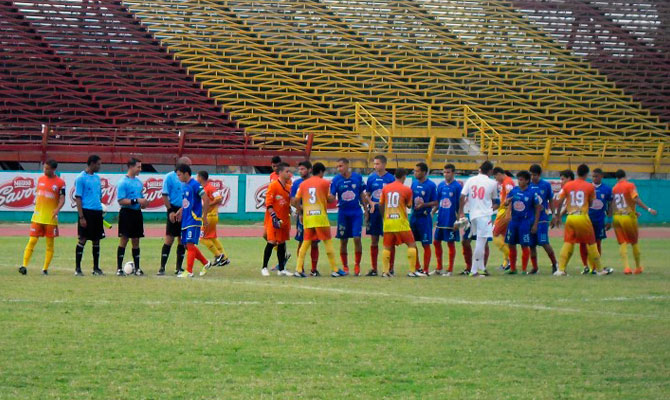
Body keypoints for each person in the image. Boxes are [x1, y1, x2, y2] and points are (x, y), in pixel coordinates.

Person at [551, 164, 612, 276]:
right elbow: (592, 203)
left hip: (570, 217)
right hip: (582, 216)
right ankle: (599, 270)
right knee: (591, 243)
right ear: (586, 174)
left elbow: (559, 202)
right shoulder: (589, 186)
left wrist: (558, 216)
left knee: (568, 242)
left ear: (577, 173)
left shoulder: (568, 186)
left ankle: (561, 269)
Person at [293, 162, 345, 277]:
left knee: (305, 243)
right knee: (327, 242)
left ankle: (298, 269)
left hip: (308, 217)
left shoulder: (303, 184)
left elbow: (295, 201)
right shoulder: (325, 183)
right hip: (320, 217)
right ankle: (335, 269)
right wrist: (332, 197)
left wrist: (301, 209)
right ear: (321, 172)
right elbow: (330, 199)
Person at [18, 159, 65, 276]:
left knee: (49, 244)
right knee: (32, 240)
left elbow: (62, 199)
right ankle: (24, 266)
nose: (45, 170)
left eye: (47, 168)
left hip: (50, 218)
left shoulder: (60, 182)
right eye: (44, 168)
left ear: (53, 169)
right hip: (37, 216)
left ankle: (45, 269)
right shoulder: (40, 179)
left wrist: (57, 209)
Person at [611, 169, 657, 274]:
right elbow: (635, 199)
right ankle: (638, 267)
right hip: (627, 218)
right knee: (634, 242)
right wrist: (648, 209)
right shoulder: (630, 185)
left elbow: (614, 205)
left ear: (617, 178)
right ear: (625, 176)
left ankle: (626, 268)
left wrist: (634, 212)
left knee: (622, 242)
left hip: (617, 217)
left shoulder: (614, 188)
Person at [458, 161, 499, 278]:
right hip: (484, 215)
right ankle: (474, 270)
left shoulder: (471, 180)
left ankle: (481, 269)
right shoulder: (492, 183)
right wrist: (490, 209)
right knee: (481, 242)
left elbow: (462, 196)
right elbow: (496, 201)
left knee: (479, 241)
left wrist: (461, 212)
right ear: (490, 171)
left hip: (472, 215)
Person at [380, 168, 422, 277]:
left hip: (388, 222)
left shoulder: (386, 188)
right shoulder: (407, 189)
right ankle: (412, 271)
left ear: (394, 176)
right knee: (411, 245)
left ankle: (385, 272)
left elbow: (381, 204)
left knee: (387, 247)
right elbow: (409, 205)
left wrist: (384, 218)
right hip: (401, 222)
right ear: (404, 177)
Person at [331, 158, 367, 276]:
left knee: (357, 238)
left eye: (341, 166)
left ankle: (357, 265)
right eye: (338, 167)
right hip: (343, 212)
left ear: (347, 165)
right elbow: (331, 196)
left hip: (356, 212)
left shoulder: (357, 177)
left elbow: (362, 194)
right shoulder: (336, 180)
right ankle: (345, 266)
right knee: (343, 240)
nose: (339, 169)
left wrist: (366, 209)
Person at [175, 164, 211, 278]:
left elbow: (206, 199)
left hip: (194, 219)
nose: (178, 177)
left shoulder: (195, 185)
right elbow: (187, 202)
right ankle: (206, 263)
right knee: (187, 245)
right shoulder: (185, 186)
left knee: (190, 244)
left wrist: (204, 217)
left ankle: (189, 271)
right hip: (185, 219)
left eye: (179, 175)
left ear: (186, 173)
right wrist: (181, 210)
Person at [158, 156, 192, 276]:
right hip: (173, 208)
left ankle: (178, 268)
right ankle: (162, 267)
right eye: (188, 165)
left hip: (184, 210)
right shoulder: (169, 177)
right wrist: (170, 211)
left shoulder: (188, 179)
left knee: (182, 240)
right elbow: (165, 195)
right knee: (169, 238)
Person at [504, 171, 542, 274]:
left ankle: (524, 269)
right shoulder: (514, 190)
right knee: (511, 244)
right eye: (518, 179)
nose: (519, 182)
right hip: (514, 221)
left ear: (527, 181)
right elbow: (506, 202)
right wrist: (507, 201)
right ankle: (513, 268)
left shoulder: (532, 193)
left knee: (524, 245)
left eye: (521, 180)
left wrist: (535, 224)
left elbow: (538, 208)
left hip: (525, 222)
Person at [116, 158, 148, 276]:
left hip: (137, 214)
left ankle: (137, 268)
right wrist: (136, 200)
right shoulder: (123, 182)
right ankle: (119, 268)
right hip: (126, 213)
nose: (140, 169)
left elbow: (140, 198)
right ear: (131, 167)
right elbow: (121, 200)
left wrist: (143, 203)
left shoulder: (139, 182)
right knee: (124, 239)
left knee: (136, 240)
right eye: (138, 167)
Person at [74, 155, 105, 276]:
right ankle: (77, 268)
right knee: (83, 239)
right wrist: (81, 216)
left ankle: (96, 268)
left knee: (97, 240)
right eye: (98, 164)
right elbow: (78, 198)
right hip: (86, 212)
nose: (99, 166)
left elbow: (98, 195)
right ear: (92, 164)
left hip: (97, 212)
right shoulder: (81, 178)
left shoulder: (97, 178)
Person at [364, 155, 396, 276]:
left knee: (389, 241)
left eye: (377, 164)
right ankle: (374, 268)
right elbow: (367, 194)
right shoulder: (371, 178)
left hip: (387, 213)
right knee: (374, 240)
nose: (375, 166)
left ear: (384, 164)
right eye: (374, 164)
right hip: (374, 212)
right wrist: (371, 202)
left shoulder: (391, 178)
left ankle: (390, 267)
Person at [579, 168, 612, 274]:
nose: (594, 178)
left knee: (597, 243)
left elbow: (610, 205)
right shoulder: (587, 187)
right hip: (586, 219)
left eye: (596, 176)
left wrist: (609, 219)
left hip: (599, 220)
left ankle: (595, 266)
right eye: (593, 176)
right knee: (583, 243)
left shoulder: (607, 189)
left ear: (601, 176)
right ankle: (585, 266)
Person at [262, 162, 292, 276]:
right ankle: (264, 267)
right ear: (280, 173)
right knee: (271, 242)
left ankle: (281, 269)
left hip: (285, 219)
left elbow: (288, 203)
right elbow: (268, 204)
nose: (289, 173)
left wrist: (292, 210)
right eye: (287, 171)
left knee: (282, 243)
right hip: (274, 219)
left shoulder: (289, 187)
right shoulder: (273, 185)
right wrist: (274, 217)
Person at [197, 171, 230, 271]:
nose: (196, 178)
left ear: (201, 178)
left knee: (202, 238)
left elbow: (219, 199)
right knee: (212, 237)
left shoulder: (209, 187)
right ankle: (224, 258)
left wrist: (208, 205)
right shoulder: (205, 188)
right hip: (212, 215)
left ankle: (218, 255)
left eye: (197, 176)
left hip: (210, 216)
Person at [432, 163, 462, 276]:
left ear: (453, 173)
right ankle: (439, 267)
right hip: (441, 219)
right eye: (444, 172)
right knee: (436, 242)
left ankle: (450, 269)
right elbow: (438, 202)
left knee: (450, 243)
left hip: (451, 220)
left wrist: (458, 219)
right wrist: (433, 212)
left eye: (448, 172)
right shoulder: (440, 185)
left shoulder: (457, 186)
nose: (446, 174)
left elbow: (460, 204)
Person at [529, 164, 559, 273]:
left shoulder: (546, 185)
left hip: (542, 218)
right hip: (530, 218)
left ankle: (555, 263)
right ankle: (535, 267)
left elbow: (550, 200)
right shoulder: (528, 185)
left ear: (539, 175)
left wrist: (554, 215)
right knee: (531, 244)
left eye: (535, 175)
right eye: (531, 175)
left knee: (544, 242)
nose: (533, 177)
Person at [291, 161, 319, 275]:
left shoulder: (316, 182)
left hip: (315, 215)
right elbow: (293, 201)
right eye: (299, 169)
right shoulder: (297, 183)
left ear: (310, 169)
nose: (300, 171)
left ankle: (314, 269)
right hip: (302, 216)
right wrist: (302, 208)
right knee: (301, 241)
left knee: (315, 242)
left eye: (303, 169)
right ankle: (300, 267)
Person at [410, 162, 437, 274]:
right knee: (412, 243)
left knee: (425, 244)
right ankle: (417, 266)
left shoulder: (430, 185)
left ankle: (426, 269)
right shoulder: (414, 183)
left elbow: (436, 201)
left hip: (424, 218)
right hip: (414, 217)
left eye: (417, 171)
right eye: (414, 171)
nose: (415, 173)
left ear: (424, 172)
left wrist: (424, 205)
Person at [492, 167, 515, 270]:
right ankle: (507, 263)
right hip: (503, 211)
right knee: (505, 238)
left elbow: (512, 196)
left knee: (494, 234)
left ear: (499, 174)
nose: (496, 179)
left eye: (495, 177)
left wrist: (508, 211)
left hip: (504, 212)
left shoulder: (507, 182)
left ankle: (511, 259)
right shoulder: (505, 182)